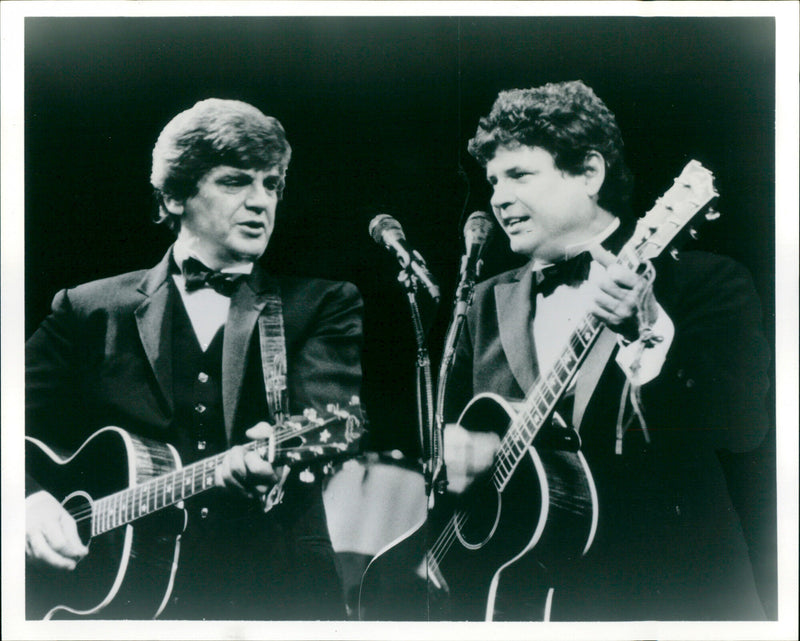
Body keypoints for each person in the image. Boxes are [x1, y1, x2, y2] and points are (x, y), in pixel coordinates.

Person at [442, 80, 771, 620]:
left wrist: (650, 332)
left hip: (665, 601)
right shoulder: (480, 303)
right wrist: (457, 451)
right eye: (493, 180)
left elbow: (743, 427)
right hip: (522, 600)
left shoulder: (708, 283)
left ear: (589, 173)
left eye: (520, 174)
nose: (498, 197)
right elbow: (456, 441)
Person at [25, 98, 363, 620]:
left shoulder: (321, 304)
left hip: (275, 595)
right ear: (177, 195)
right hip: (116, 602)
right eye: (236, 181)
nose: (261, 202)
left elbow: (333, 423)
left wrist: (272, 460)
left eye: (271, 184)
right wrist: (25, 500)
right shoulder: (89, 308)